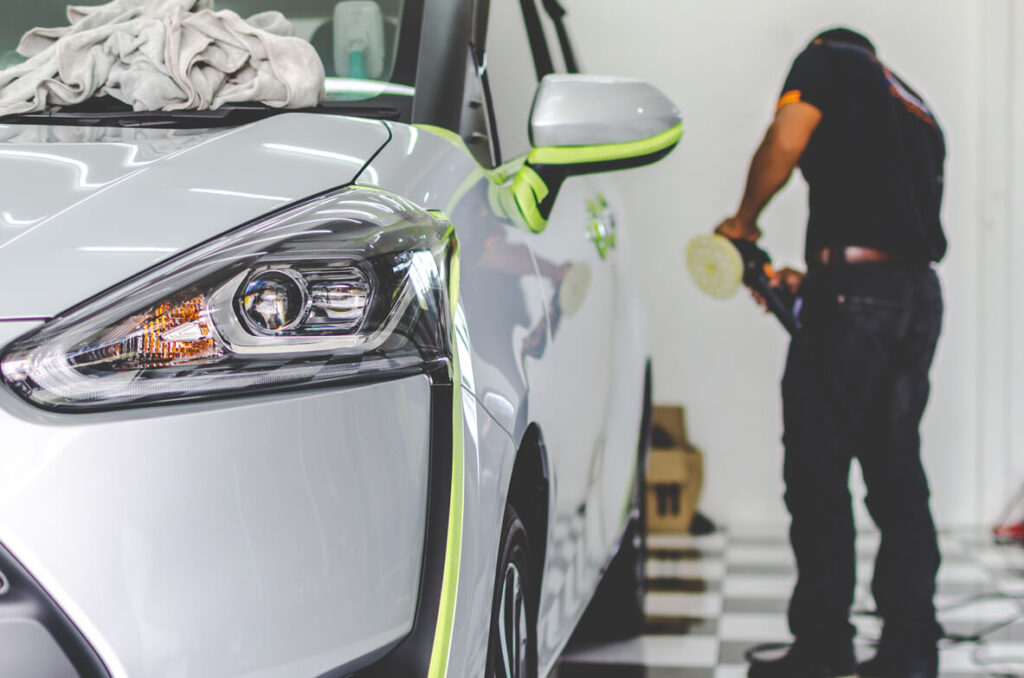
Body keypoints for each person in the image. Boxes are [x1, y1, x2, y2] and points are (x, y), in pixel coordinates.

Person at [715, 27, 947, 678]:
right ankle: (910, 648)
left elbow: (786, 139)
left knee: (817, 474)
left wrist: (743, 222)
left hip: (853, 301)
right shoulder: (914, 104)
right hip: (914, 298)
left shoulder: (826, 60)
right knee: (897, 475)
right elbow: (893, 226)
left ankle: (822, 645)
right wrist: (816, 283)